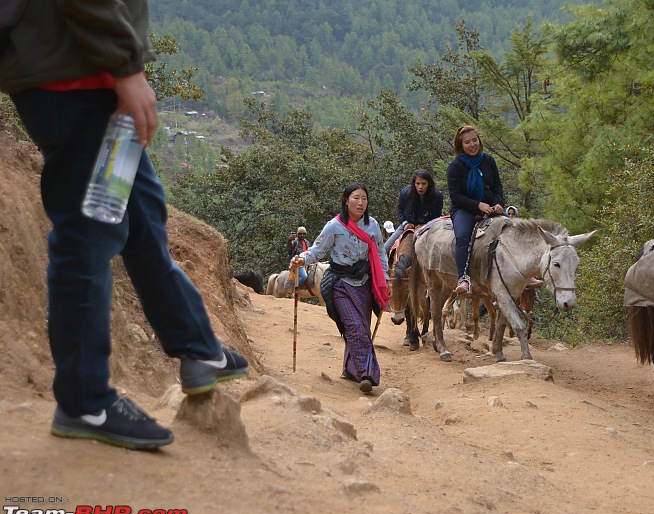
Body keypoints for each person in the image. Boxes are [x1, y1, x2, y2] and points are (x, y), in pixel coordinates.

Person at [0, 0, 248, 450]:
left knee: (141, 216)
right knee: (89, 232)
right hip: (72, 74)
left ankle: (198, 351)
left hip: (87, 71)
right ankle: (83, 401)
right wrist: (126, 66)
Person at [289, 183, 389, 394]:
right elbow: (317, 251)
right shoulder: (334, 226)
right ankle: (367, 374)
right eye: (356, 198)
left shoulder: (372, 226)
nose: (361, 203)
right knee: (355, 327)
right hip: (341, 283)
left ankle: (351, 369)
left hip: (365, 282)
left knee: (362, 326)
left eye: (364, 198)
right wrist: (300, 259)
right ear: (346, 200)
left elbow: (380, 253)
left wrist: (385, 278)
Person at [446, 125, 505, 294]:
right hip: (464, 209)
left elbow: (497, 187)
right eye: (467, 142)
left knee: (512, 228)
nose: (472, 145)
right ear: (460, 145)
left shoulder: (488, 160)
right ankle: (463, 277)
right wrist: (477, 205)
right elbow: (455, 196)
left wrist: (498, 203)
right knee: (463, 237)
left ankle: (520, 272)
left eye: (475, 140)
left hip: (490, 207)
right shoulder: (455, 167)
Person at [383, 169, 444, 253]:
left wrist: (426, 226)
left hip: (430, 227)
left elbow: (437, 215)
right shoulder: (405, 193)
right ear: (414, 184)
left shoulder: (437, 196)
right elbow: (400, 210)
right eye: (418, 183)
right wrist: (405, 224)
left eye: (423, 184)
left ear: (429, 184)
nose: (420, 187)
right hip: (409, 225)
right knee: (385, 249)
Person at [290, 226, 312, 291]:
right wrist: (289, 240)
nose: (302, 235)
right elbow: (289, 246)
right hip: (298, 262)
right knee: (304, 276)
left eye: (303, 234)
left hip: (306, 261)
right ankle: (295, 289)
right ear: (298, 234)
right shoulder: (295, 242)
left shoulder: (307, 242)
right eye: (300, 234)